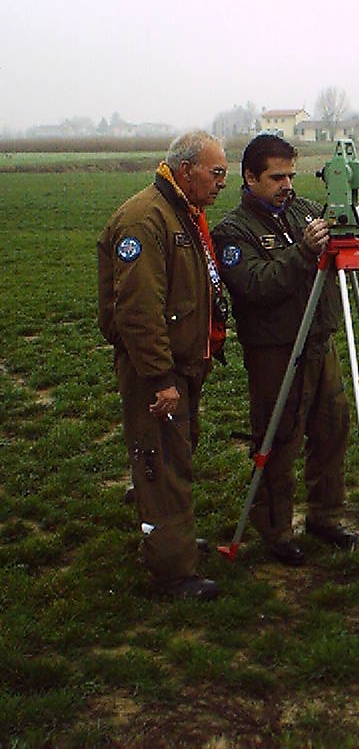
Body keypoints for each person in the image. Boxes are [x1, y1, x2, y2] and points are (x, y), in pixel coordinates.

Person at [212, 133, 357, 566]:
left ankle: (325, 516)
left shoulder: (307, 212)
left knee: (333, 428)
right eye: (277, 177)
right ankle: (276, 530)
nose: (287, 185)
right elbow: (256, 285)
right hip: (275, 351)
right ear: (251, 177)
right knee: (280, 439)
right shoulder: (233, 233)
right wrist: (303, 252)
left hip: (319, 340)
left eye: (292, 175)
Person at [97, 130, 228, 599]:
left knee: (177, 453)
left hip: (180, 365)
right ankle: (172, 571)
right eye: (216, 173)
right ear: (187, 169)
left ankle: (170, 541)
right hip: (158, 372)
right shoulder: (145, 220)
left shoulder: (183, 214)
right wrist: (160, 378)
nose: (222, 184)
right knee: (161, 461)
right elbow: (137, 311)